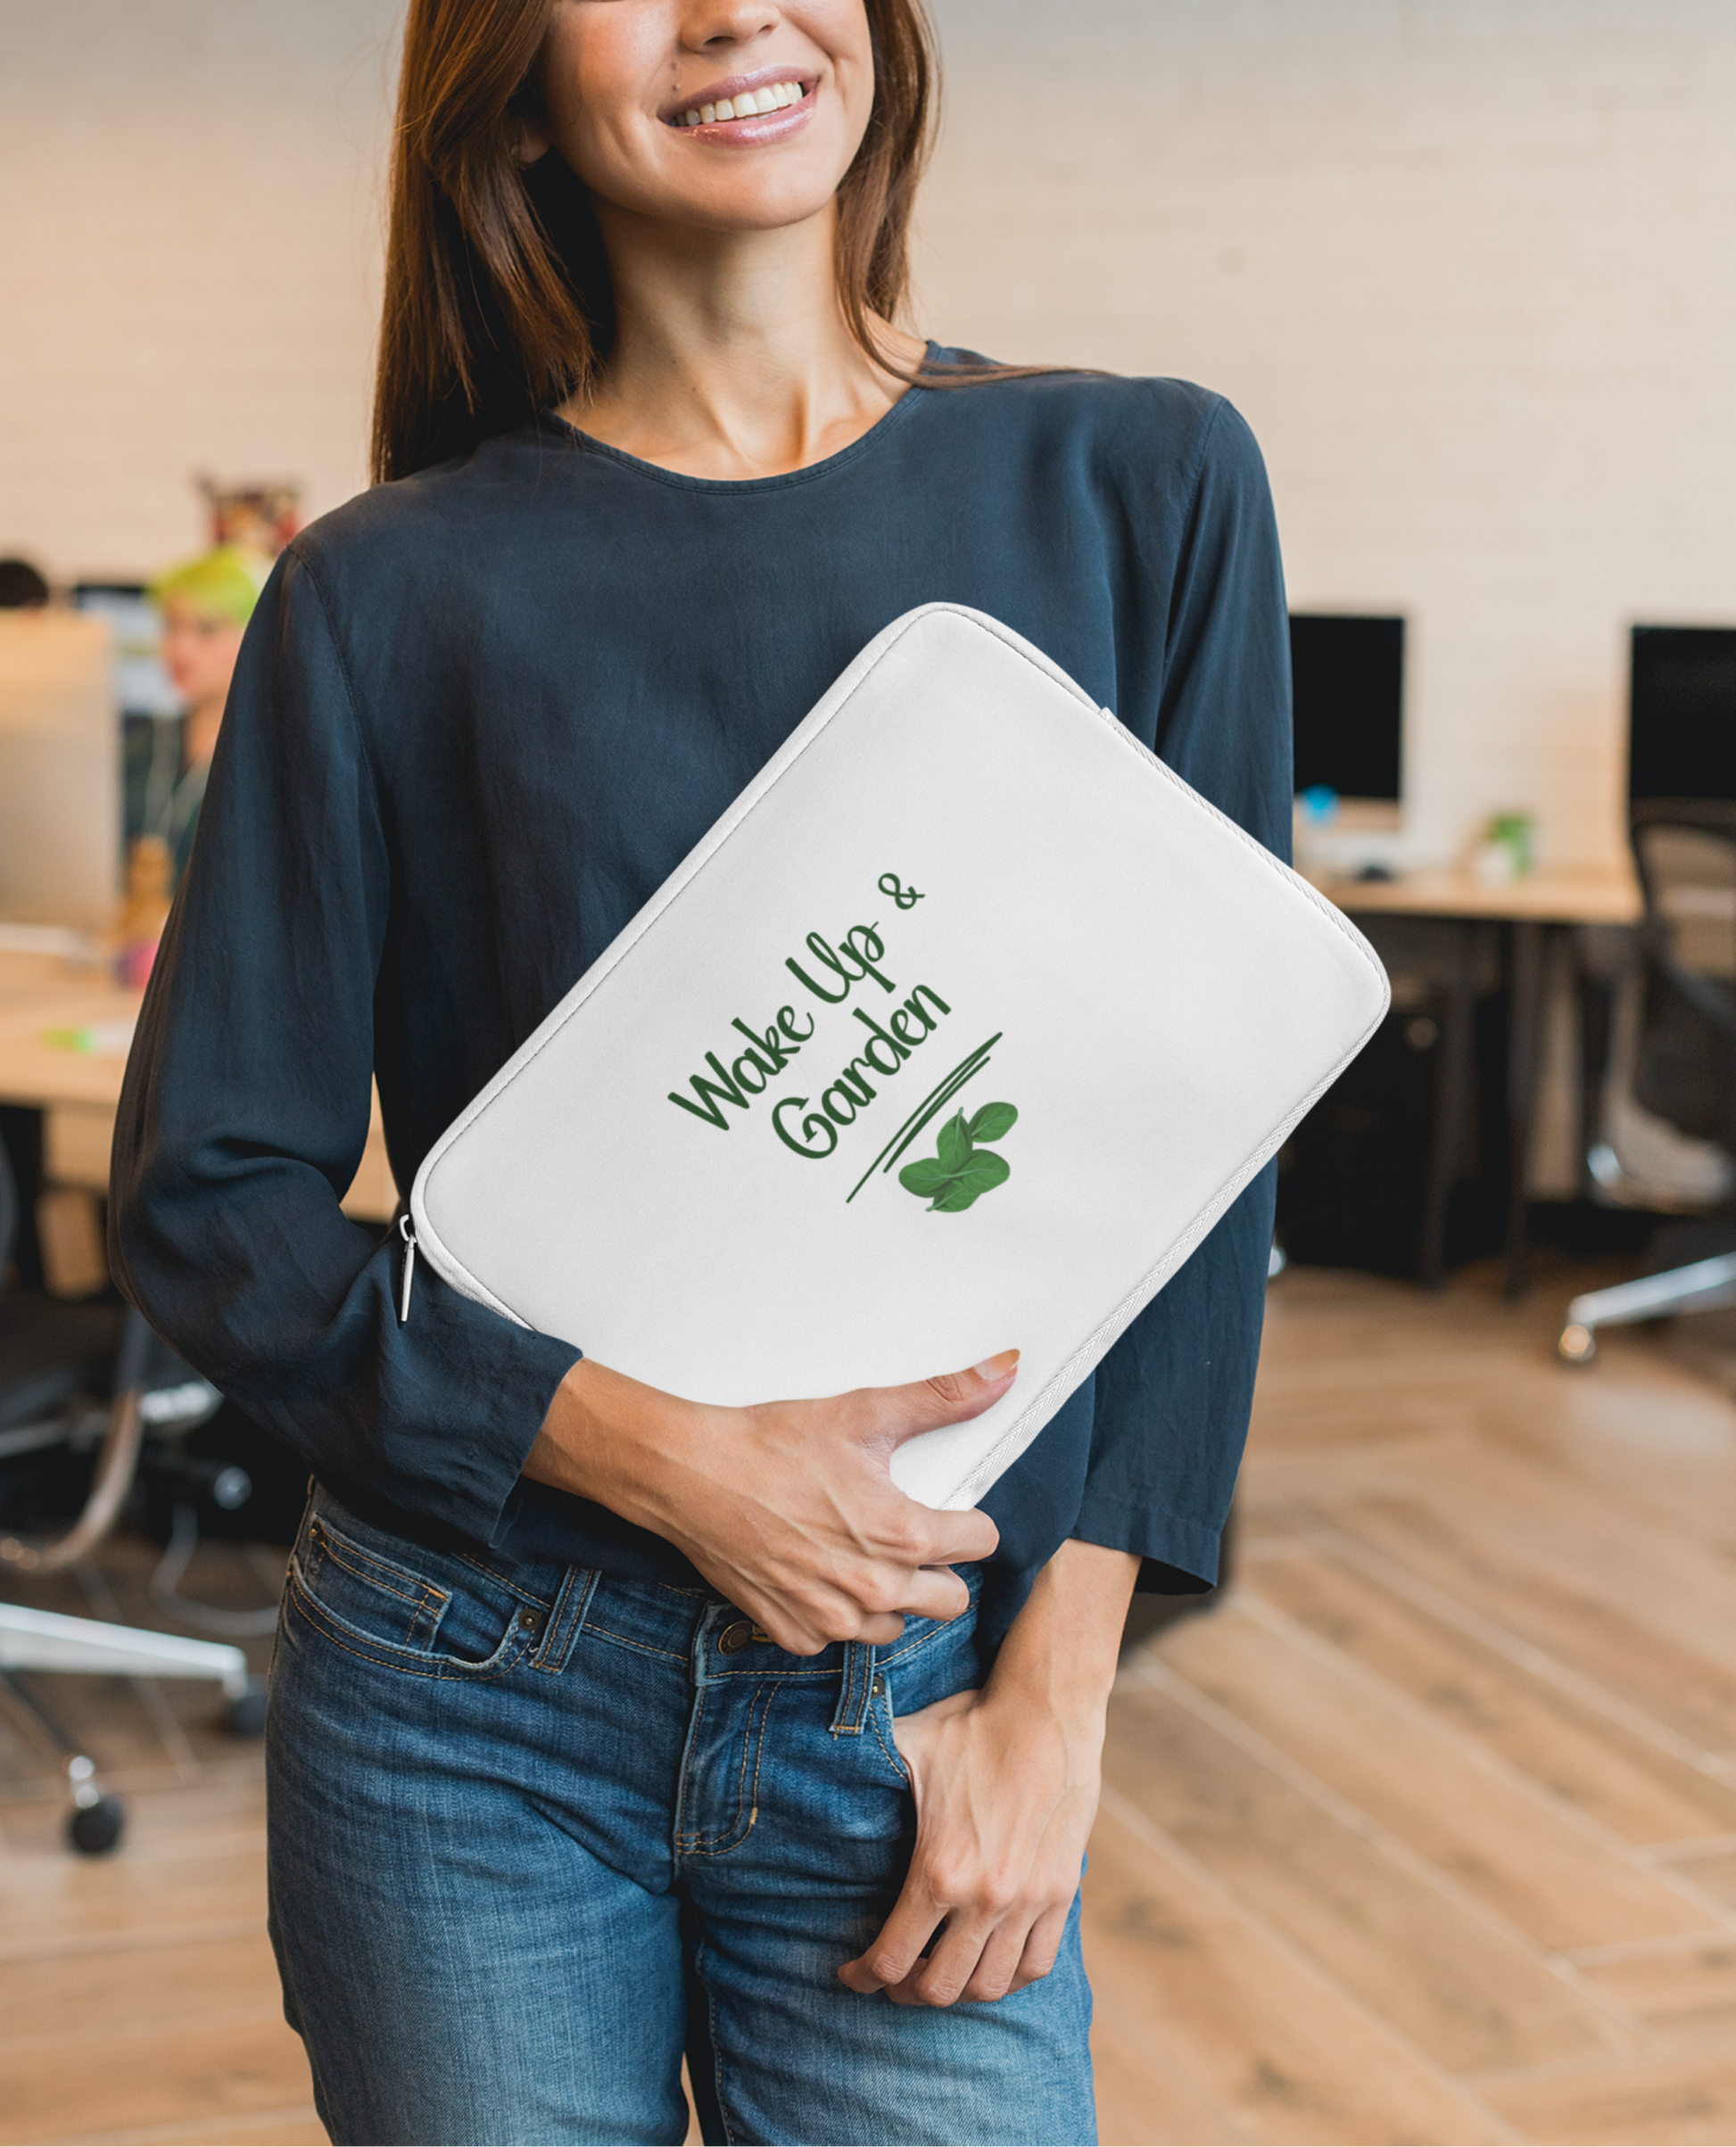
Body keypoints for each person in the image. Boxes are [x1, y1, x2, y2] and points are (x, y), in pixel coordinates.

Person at [110, 3, 1289, 2142]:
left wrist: (1056, 1707)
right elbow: (212, 1203)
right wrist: (653, 1452)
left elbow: (1205, 1161)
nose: (739, 7)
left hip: (921, 1699)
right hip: (463, 1705)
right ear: (512, 76)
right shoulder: (381, 595)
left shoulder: (1141, 484)